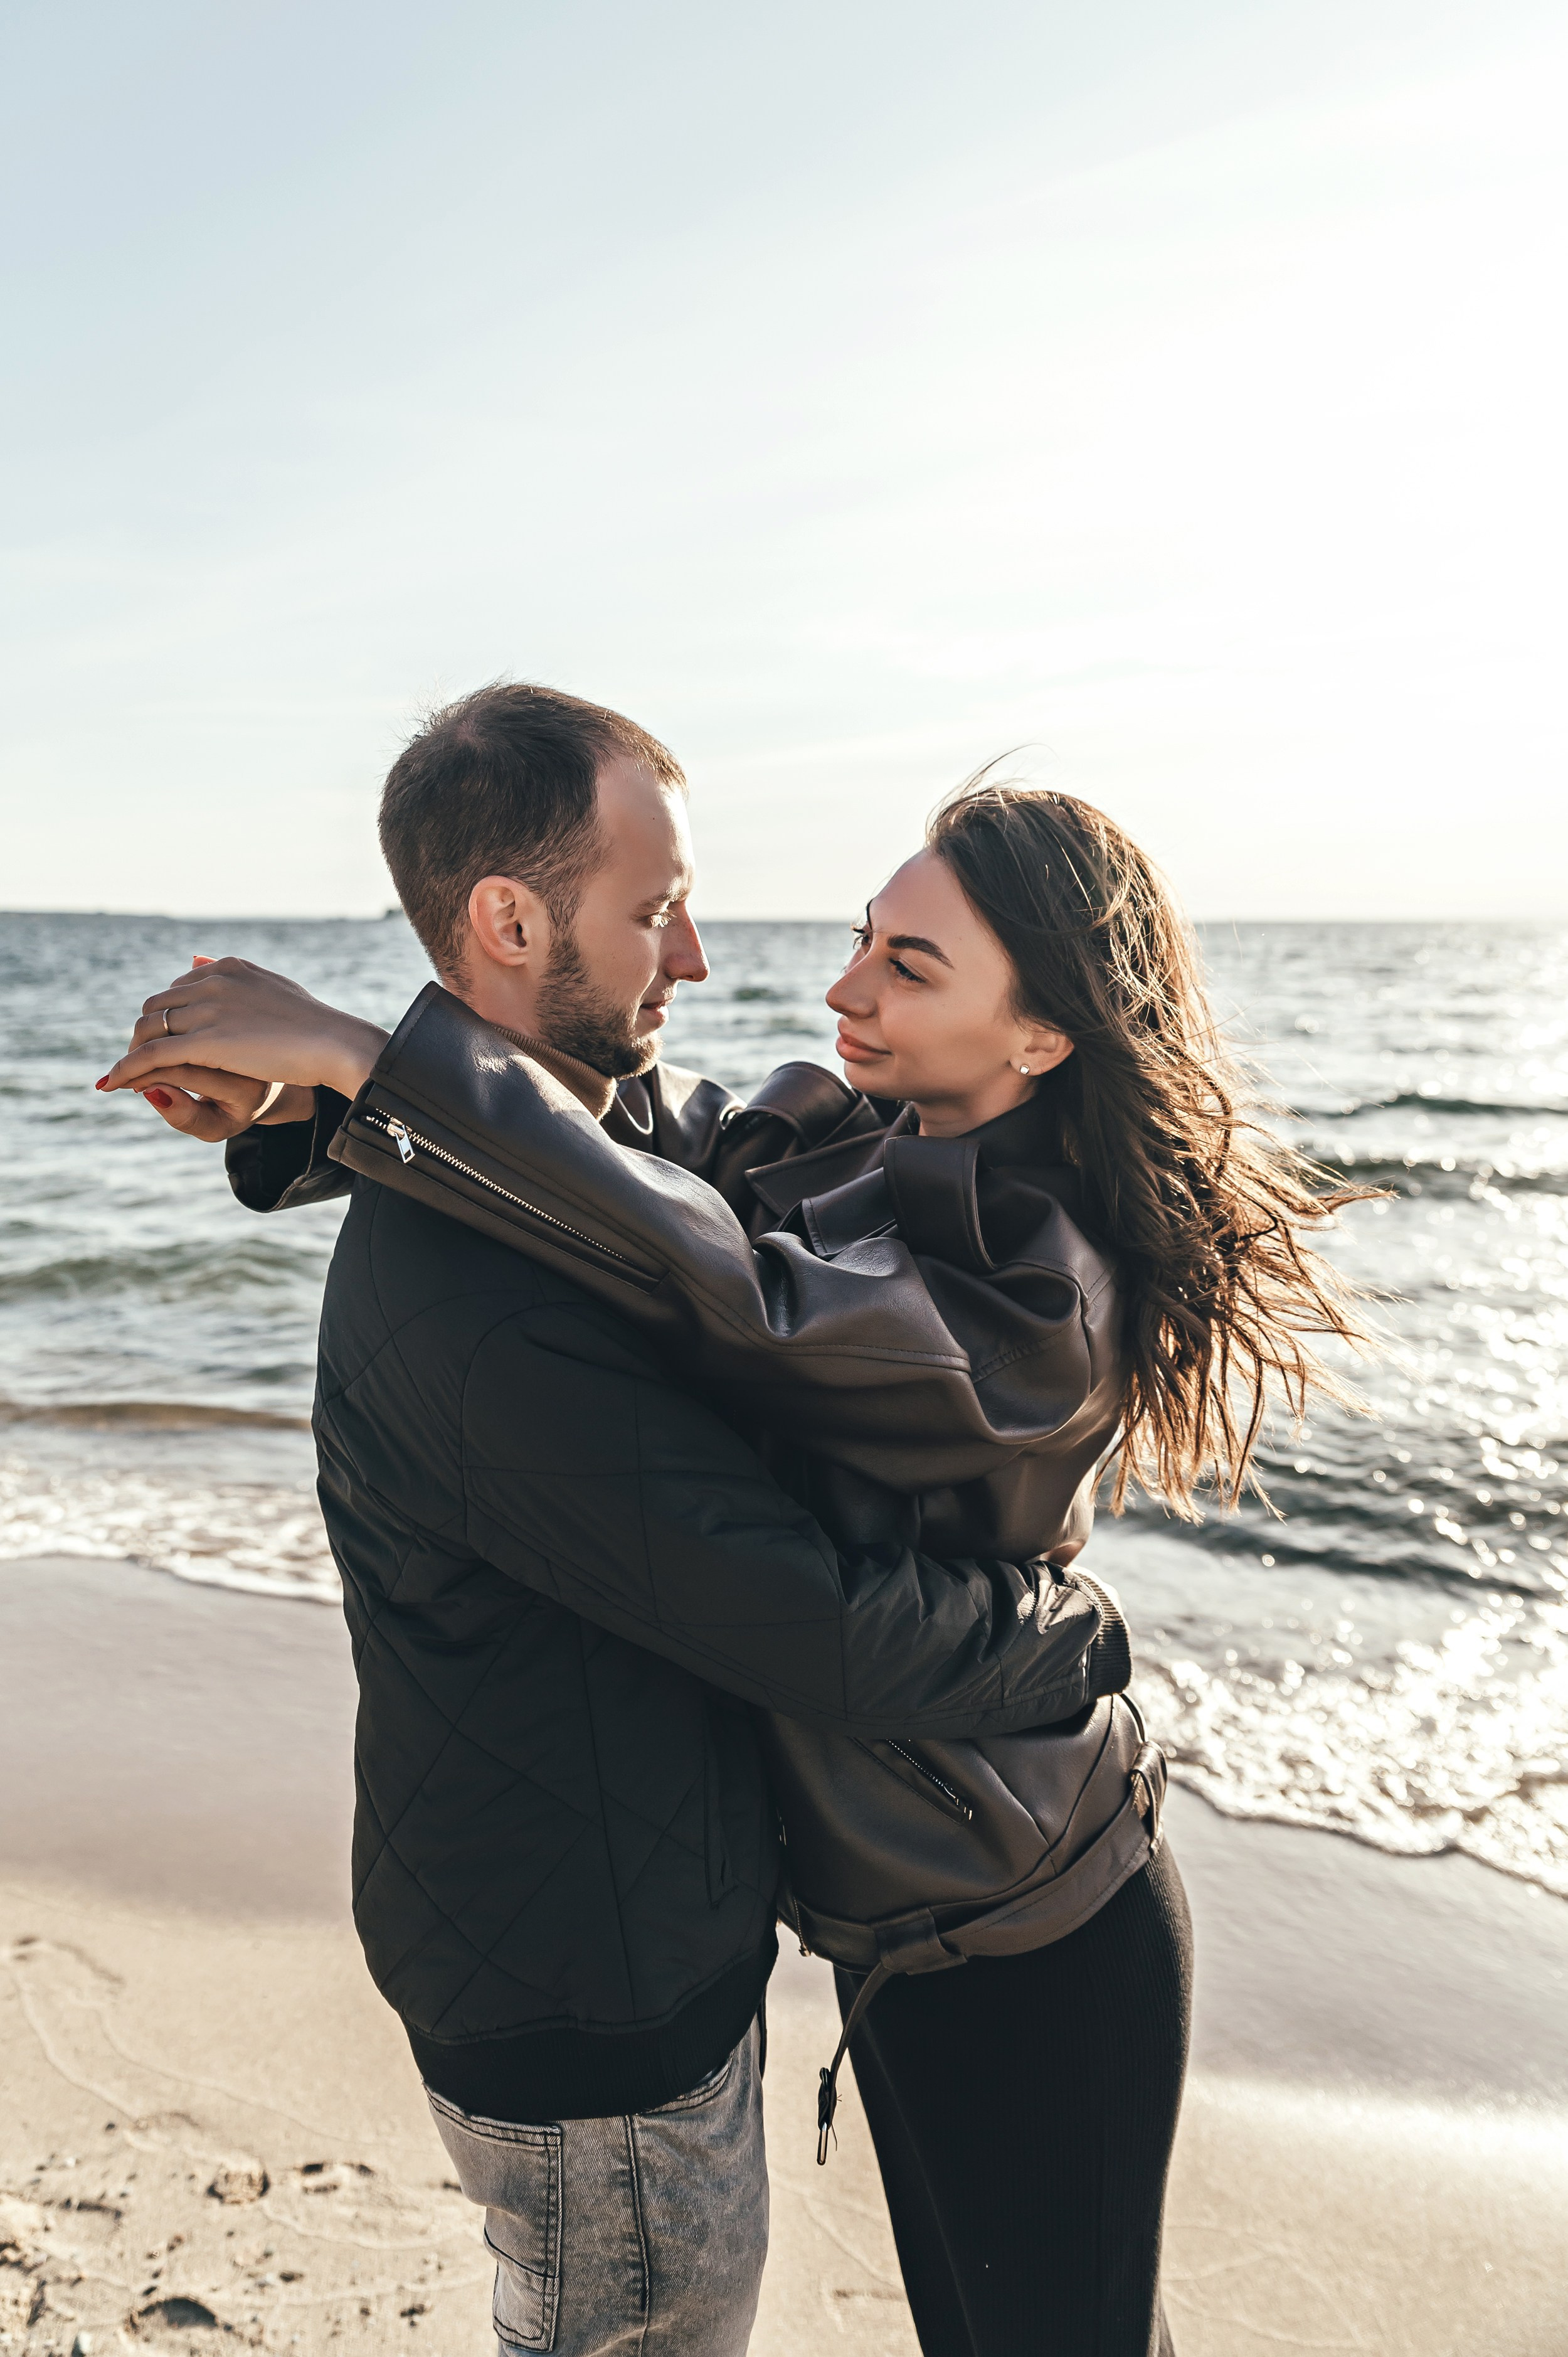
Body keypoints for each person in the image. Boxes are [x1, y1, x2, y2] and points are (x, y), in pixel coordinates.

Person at [102, 687, 1370, 2356]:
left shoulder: (1029, 1286)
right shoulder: (859, 1147)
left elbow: (716, 1265)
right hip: (876, 1918)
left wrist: (364, 1060)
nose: (818, 982)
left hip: (1022, 1907)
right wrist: (322, 1109)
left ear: (1044, 1034)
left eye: (906, 968)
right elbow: (643, 1164)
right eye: (861, 941)